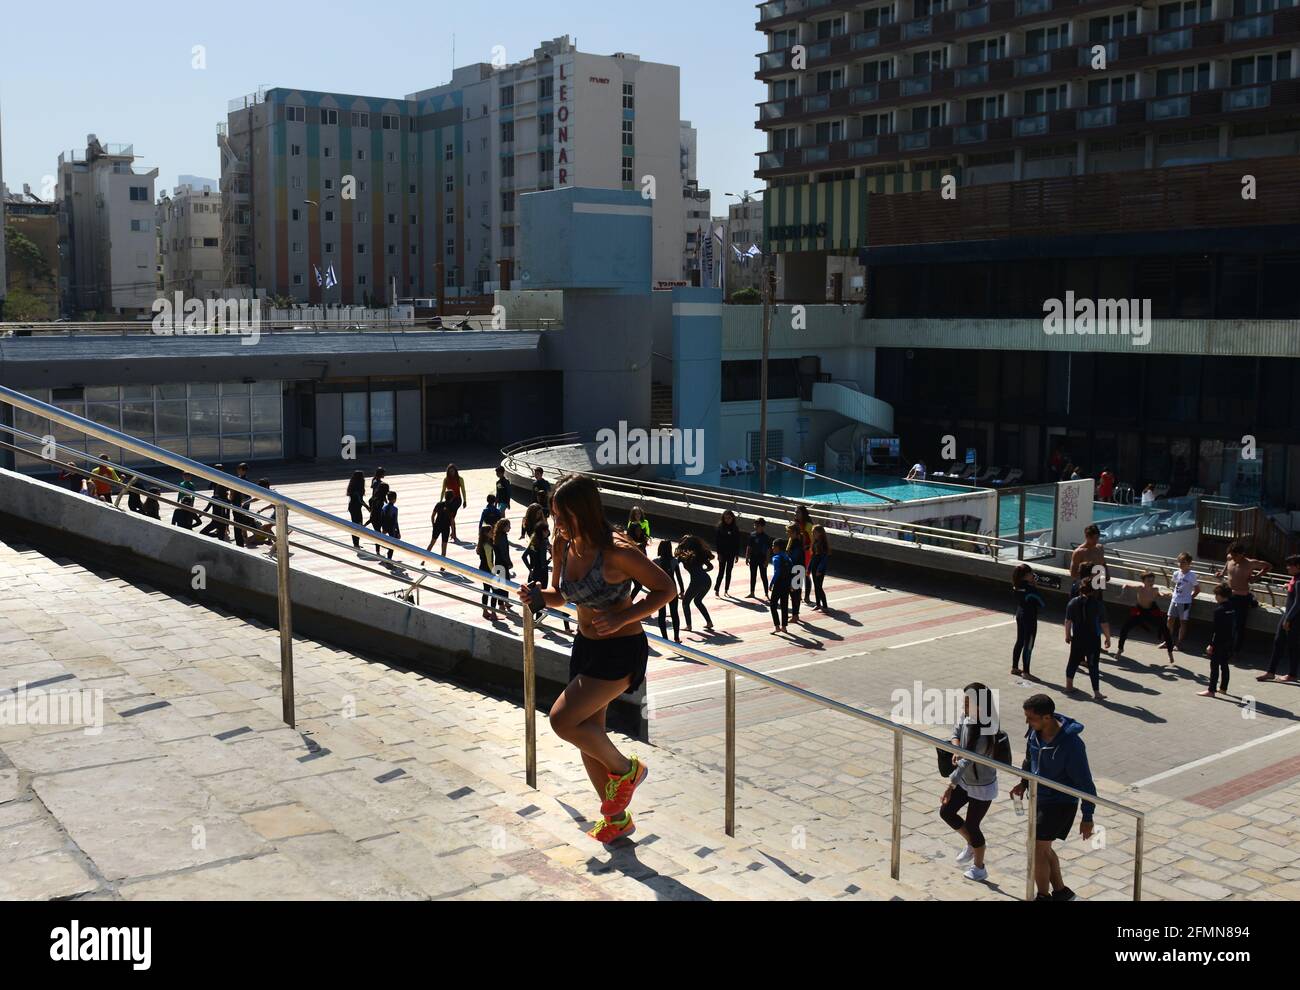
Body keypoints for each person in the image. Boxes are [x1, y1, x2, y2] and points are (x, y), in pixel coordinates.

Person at [513, 474, 675, 844]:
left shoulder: (618, 551)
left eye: (564, 516)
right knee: (589, 734)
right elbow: (561, 595)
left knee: (562, 721)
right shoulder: (563, 543)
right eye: (555, 515)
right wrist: (538, 596)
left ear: (584, 512)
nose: (558, 524)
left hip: (620, 652)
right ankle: (617, 820)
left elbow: (667, 589)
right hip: (585, 646)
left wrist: (623, 615)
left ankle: (627, 770)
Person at [1009, 694, 1096, 902]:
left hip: (1060, 802)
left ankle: (1042, 896)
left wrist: (1088, 816)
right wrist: (1023, 783)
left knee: (1037, 848)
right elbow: (1029, 759)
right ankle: (1061, 892)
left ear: (1047, 717)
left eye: (1031, 719)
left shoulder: (1072, 745)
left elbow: (1086, 782)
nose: (1027, 723)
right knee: (1043, 847)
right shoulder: (1035, 732)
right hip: (1039, 797)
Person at [940, 683, 1005, 883]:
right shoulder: (968, 716)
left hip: (981, 785)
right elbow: (956, 732)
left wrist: (950, 785)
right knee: (946, 812)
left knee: (973, 825)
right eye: (965, 701)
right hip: (966, 780)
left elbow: (969, 760)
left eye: (969, 702)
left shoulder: (987, 730)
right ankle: (971, 843)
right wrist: (956, 749)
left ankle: (979, 867)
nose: (964, 705)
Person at [1216, 542, 1270, 653]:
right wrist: (1222, 572)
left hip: (1242, 597)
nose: (1234, 558)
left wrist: (1256, 577)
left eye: (1236, 555)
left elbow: (1268, 566)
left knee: (1238, 626)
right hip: (1229, 596)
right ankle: (1225, 648)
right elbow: (1227, 562)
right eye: (1232, 555)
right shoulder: (1230, 557)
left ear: (1242, 554)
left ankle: (1235, 652)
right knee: (1226, 624)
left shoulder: (1250, 563)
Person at [1065, 580, 1110, 700]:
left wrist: (1067, 635)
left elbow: (1068, 621)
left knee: (1073, 661)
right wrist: (1108, 638)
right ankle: (1096, 692)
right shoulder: (1097, 604)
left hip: (1078, 637)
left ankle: (1069, 685)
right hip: (1092, 638)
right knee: (1093, 664)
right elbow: (1104, 623)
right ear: (1094, 590)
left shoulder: (1073, 602)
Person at [1259, 554, 1300, 683]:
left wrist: (1288, 620)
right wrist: (1288, 585)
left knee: (1293, 646)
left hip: (1294, 617)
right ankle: (1271, 672)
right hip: (1288, 615)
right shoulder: (1295, 578)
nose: (1287, 567)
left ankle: (1292, 674)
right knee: (1278, 642)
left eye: (1290, 565)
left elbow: (1298, 603)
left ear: (1298, 566)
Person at [1117, 573, 1174, 662]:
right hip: (1139, 610)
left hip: (1151, 610)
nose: (1151, 582)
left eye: (1152, 581)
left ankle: (1170, 653)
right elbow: (1128, 585)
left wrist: (1167, 594)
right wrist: (1124, 588)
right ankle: (1120, 649)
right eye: (1148, 581)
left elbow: (1161, 594)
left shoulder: (1155, 589)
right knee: (1125, 628)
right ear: (1143, 581)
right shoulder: (1140, 588)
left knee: (1165, 629)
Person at [674, 535, 715, 633]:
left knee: (685, 602)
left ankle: (689, 626)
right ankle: (709, 622)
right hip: (706, 580)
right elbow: (710, 567)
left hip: (696, 581)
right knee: (698, 601)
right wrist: (701, 571)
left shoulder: (684, 556)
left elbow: (674, 563)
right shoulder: (699, 554)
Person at [1202, 583, 1236, 698]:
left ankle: (1211, 690)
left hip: (1219, 642)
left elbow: (1216, 630)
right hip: (1229, 641)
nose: (1215, 597)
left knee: (1214, 666)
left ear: (1221, 596)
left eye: (1216, 595)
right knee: (1225, 665)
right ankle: (1223, 688)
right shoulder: (1232, 607)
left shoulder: (1219, 610)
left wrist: (1211, 645)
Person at [1011, 564, 1045, 679]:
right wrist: (1035, 587)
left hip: (1020, 613)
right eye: (1031, 573)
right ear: (1025, 576)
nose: (1032, 575)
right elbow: (1041, 603)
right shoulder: (1030, 589)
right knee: (1028, 644)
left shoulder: (1016, 585)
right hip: (1029, 617)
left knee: (1020, 641)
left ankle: (1015, 667)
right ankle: (1026, 671)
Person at [1166, 552, 1200, 652]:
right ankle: (1168, 640)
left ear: (1189, 563)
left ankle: (1179, 643)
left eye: (1183, 562)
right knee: (1169, 620)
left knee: (1183, 622)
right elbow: (1176, 585)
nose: (1181, 564)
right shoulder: (1176, 573)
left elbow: (1197, 589)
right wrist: (1173, 594)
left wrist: (1189, 598)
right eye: (1179, 562)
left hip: (1185, 602)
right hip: (1175, 599)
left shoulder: (1192, 575)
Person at [653, 540, 684, 643]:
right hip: (672, 590)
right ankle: (676, 637)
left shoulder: (655, 561)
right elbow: (679, 577)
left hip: (660, 590)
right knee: (674, 613)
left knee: (661, 614)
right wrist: (682, 590)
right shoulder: (674, 561)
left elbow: (651, 577)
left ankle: (665, 638)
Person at [522, 519, 552, 624]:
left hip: (533, 573)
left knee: (531, 596)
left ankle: (529, 618)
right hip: (542, 573)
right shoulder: (543, 544)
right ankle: (538, 621)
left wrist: (530, 568)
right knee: (541, 596)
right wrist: (551, 558)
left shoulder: (533, 541)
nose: (548, 532)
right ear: (543, 531)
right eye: (547, 530)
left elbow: (524, 556)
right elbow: (543, 563)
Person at [1069, 524, 1107, 597]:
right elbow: (1073, 573)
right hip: (1084, 590)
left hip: (1098, 587)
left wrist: (1106, 574)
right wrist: (1089, 577)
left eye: (1097, 538)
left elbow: (1103, 564)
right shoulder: (1079, 552)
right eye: (1093, 538)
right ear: (1087, 537)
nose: (1095, 540)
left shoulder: (1100, 548)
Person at [768, 538, 795, 633]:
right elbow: (792, 572)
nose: (772, 548)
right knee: (784, 605)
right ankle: (784, 627)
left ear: (778, 547)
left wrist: (771, 584)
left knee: (773, 605)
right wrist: (791, 584)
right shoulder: (788, 557)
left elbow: (777, 572)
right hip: (787, 584)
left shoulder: (776, 558)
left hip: (779, 584)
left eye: (773, 546)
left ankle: (777, 626)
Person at [713, 510, 741, 597]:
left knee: (729, 572)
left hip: (731, 554)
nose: (727, 520)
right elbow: (717, 542)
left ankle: (726, 589)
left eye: (729, 518)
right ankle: (717, 589)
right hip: (722, 553)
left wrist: (737, 554)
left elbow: (737, 542)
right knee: (721, 572)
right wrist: (719, 554)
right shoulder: (720, 528)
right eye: (725, 518)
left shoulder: (735, 529)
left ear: (732, 518)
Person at [745, 518, 773, 598]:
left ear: (763, 527)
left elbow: (768, 550)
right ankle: (752, 592)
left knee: (763, 575)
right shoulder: (752, 535)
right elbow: (749, 547)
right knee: (753, 575)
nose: (756, 526)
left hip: (762, 558)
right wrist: (747, 557)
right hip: (753, 557)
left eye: (758, 525)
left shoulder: (766, 537)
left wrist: (767, 560)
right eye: (755, 525)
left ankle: (766, 593)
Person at [490, 518, 514, 613]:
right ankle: (501, 604)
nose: (510, 528)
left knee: (504, 582)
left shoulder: (499, 535)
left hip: (499, 562)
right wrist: (509, 562)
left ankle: (505, 601)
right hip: (502, 563)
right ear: (503, 527)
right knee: (503, 584)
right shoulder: (502, 538)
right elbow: (504, 552)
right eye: (508, 526)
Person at [477, 524, 498, 622]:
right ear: (486, 533)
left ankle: (485, 611)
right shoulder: (488, 545)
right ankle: (493, 613)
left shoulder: (481, 543)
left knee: (486, 591)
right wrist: (494, 572)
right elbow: (490, 561)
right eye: (491, 532)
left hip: (482, 569)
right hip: (488, 571)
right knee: (494, 592)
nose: (492, 533)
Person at [441, 464, 467, 543]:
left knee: (451, 516)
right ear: (448, 472)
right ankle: (453, 533)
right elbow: (443, 490)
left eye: (453, 471)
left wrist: (465, 500)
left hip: (457, 500)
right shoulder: (446, 479)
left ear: (456, 471)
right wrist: (440, 500)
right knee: (450, 517)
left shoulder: (460, 479)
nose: (452, 473)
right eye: (450, 471)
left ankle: (453, 534)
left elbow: (463, 490)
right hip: (449, 500)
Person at [809, 525, 830, 611]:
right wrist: (809, 568)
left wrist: (819, 570)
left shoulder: (823, 544)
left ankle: (825, 606)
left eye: (815, 532)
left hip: (819, 569)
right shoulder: (815, 543)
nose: (813, 534)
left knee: (819, 586)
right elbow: (813, 557)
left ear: (820, 533)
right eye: (813, 532)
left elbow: (824, 559)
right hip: (814, 567)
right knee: (816, 586)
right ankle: (818, 604)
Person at [426, 497, 453, 563]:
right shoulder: (451, 507)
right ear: (451, 498)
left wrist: (433, 525)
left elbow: (432, 516)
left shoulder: (439, 504)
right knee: (444, 547)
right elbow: (452, 520)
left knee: (431, 543)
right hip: (446, 528)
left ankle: (424, 559)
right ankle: (442, 565)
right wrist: (453, 531)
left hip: (437, 526)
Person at [368, 481, 390, 557]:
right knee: (378, 534)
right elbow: (378, 508)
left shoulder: (377, 495)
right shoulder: (379, 499)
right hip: (377, 518)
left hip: (375, 518)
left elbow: (370, 500)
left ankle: (380, 547)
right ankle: (378, 550)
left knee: (380, 533)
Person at [346, 470, 366, 549]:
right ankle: (356, 543)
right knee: (357, 525)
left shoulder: (353, 486)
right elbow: (360, 500)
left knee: (356, 525)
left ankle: (356, 543)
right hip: (355, 508)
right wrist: (367, 507)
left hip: (353, 508)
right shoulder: (358, 488)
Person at [380, 490, 401, 561]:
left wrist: (383, 528)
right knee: (392, 545)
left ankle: (387, 552)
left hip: (385, 527)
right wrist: (398, 531)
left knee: (386, 542)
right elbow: (395, 521)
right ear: (395, 499)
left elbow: (381, 518)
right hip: (391, 528)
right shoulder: (395, 509)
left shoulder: (384, 507)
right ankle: (389, 558)